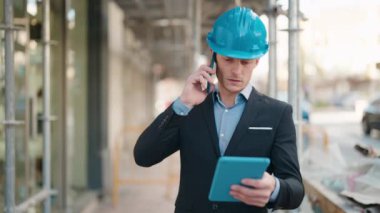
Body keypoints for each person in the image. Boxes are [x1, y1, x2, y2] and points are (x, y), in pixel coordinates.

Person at [134, 6, 304, 212]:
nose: (236, 71)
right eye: (228, 59)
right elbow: (143, 156)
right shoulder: (189, 108)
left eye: (245, 62)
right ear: (214, 56)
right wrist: (183, 103)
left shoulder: (277, 114)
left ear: (257, 61)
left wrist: (275, 188)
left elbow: (295, 190)